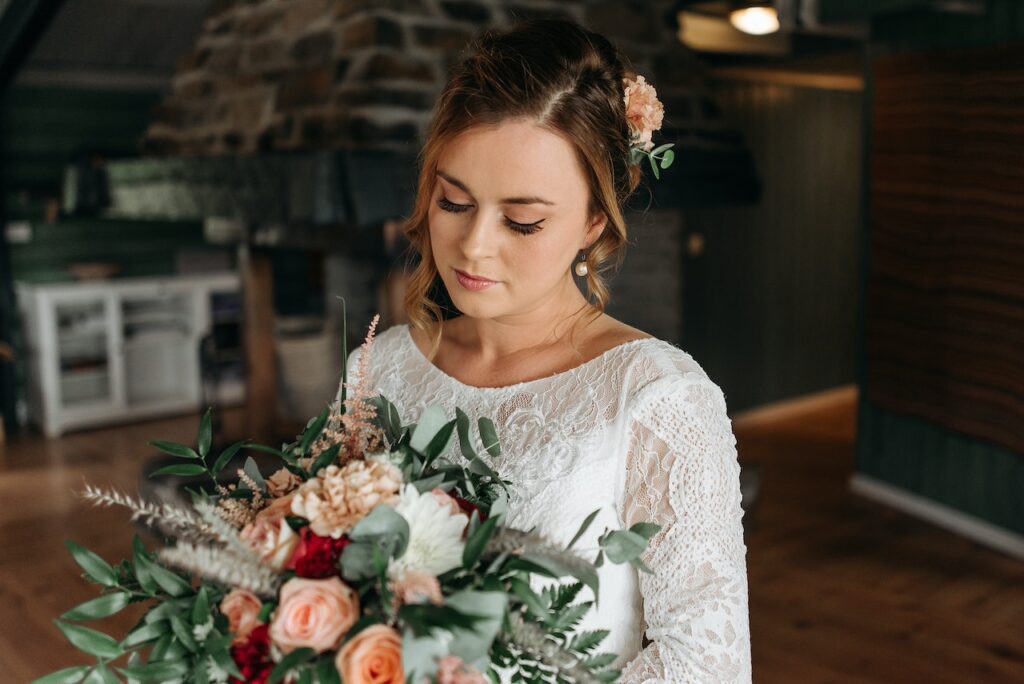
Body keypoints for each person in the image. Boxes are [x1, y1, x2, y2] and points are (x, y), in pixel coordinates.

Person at [338, 18, 751, 683]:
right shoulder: (375, 369)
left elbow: (704, 667)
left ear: (594, 219)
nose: (474, 245)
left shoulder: (659, 400)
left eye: (522, 221)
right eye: (454, 201)